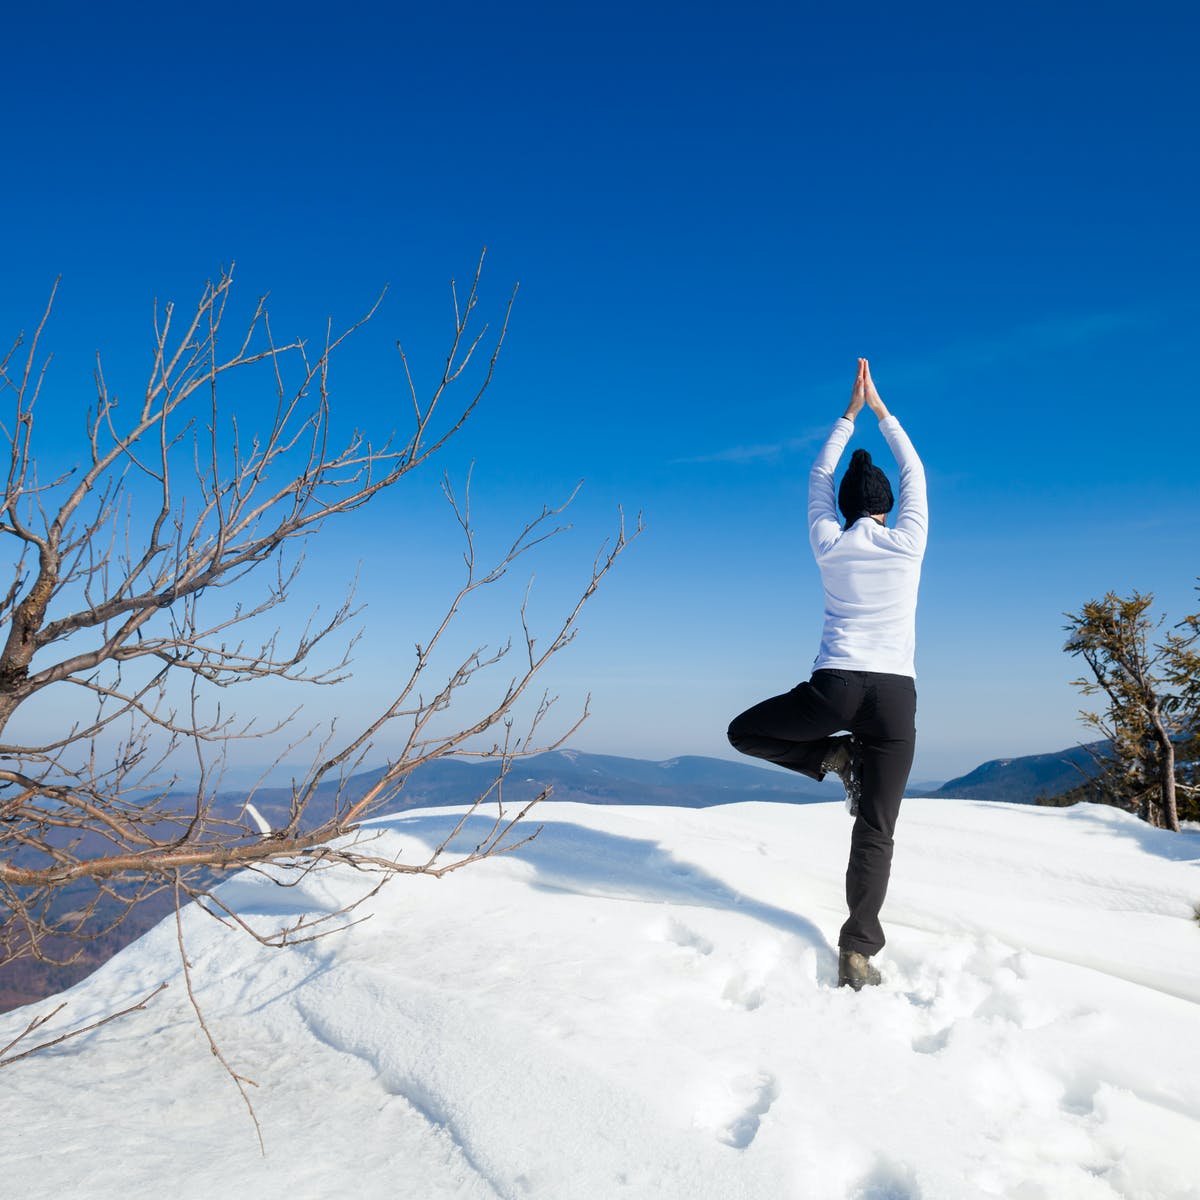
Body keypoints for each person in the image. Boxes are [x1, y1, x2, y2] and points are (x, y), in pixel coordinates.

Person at [727, 358, 928, 991]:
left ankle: (835, 759)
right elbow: (914, 468)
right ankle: (858, 950)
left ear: (843, 506)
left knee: (746, 732)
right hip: (895, 697)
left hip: (835, 688)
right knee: (877, 828)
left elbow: (817, 474)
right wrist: (881, 411)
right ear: (889, 507)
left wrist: (847, 414)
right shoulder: (909, 541)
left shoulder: (829, 542)